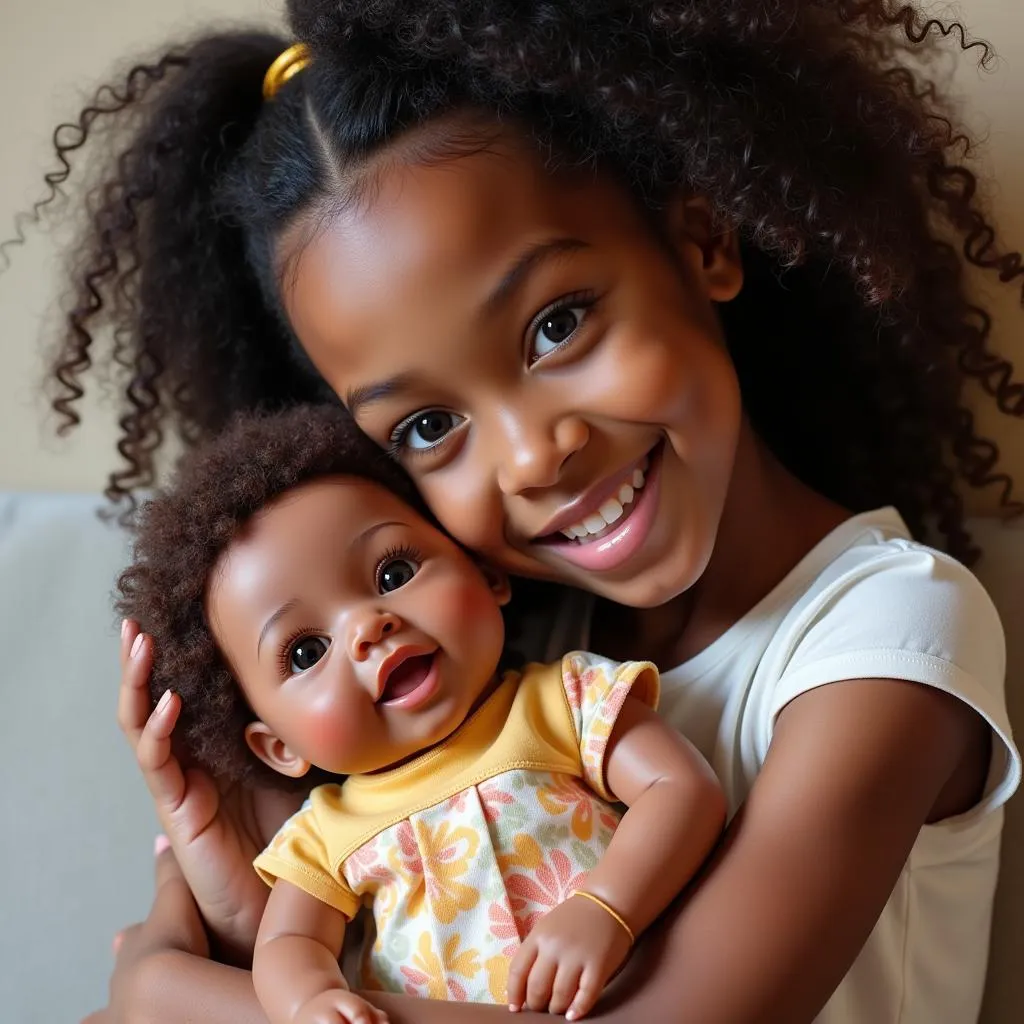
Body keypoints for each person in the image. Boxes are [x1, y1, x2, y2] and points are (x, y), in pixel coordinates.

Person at [31, 2, 1023, 1022]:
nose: (533, 453)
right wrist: (210, 835)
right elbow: (341, 948)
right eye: (425, 426)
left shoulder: (885, 635)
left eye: (555, 324)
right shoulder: (498, 641)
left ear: (701, 242)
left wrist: (166, 991)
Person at [115, 404, 725, 1023]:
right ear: (278, 747)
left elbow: (679, 787)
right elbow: (288, 943)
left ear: (485, 575)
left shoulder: (561, 702)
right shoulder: (327, 830)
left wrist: (606, 907)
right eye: (306, 651)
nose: (366, 626)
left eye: (393, 572)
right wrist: (310, 1002)